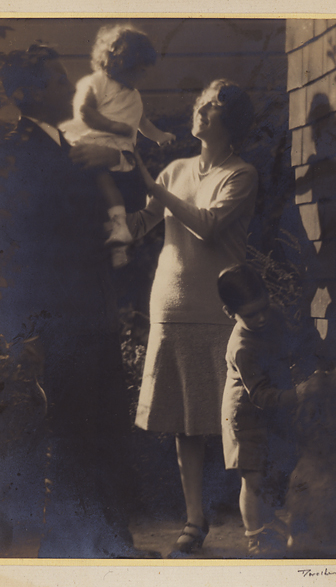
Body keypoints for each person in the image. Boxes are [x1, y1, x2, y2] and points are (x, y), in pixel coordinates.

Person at [0, 43, 158, 558]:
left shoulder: (69, 143)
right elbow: (18, 244)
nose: (70, 86)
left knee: (102, 426)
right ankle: (78, 547)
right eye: (58, 79)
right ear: (33, 92)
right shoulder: (17, 152)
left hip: (91, 309)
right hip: (57, 316)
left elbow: (136, 196)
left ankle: (109, 542)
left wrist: (117, 158)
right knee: (72, 432)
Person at [126, 79, 258, 556]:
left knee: (235, 419)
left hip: (219, 312)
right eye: (202, 101)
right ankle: (194, 520)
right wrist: (102, 211)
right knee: (186, 422)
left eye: (214, 105)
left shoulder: (241, 174)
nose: (201, 108)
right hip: (171, 307)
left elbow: (207, 226)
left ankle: (255, 522)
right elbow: (139, 225)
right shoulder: (174, 170)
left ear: (231, 121)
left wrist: (153, 190)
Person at [62, 23, 175, 266]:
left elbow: (142, 122)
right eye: (139, 70)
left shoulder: (133, 95)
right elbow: (85, 111)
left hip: (121, 154)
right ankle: (118, 233)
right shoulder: (95, 82)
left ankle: (119, 242)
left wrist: (159, 136)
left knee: (119, 194)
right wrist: (113, 127)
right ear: (120, 63)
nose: (143, 77)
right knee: (102, 188)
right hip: (94, 141)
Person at [217, 264, 300, 558]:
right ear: (230, 313)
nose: (262, 317)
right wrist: (299, 394)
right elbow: (261, 395)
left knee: (270, 469)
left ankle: (267, 521)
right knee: (252, 478)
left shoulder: (272, 316)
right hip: (245, 415)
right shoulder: (242, 346)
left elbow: (288, 342)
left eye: (264, 307)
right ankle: (254, 537)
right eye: (251, 315)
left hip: (269, 407)